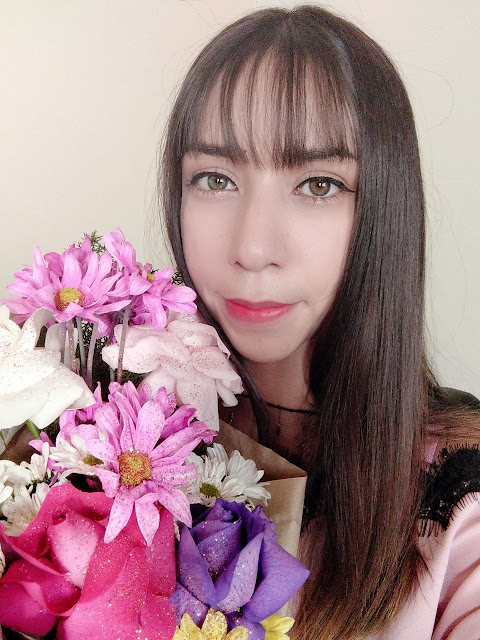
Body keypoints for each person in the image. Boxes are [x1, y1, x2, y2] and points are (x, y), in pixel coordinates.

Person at [158, 5, 480, 639]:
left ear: (384, 208)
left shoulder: (458, 505)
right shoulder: (109, 443)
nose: (253, 248)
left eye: (318, 185)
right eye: (215, 179)